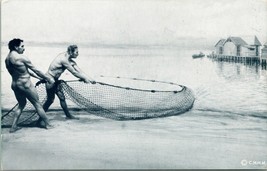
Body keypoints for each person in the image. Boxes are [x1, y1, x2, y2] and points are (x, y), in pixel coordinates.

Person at [5, 38, 54, 133]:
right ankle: (48, 124)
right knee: (37, 104)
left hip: (15, 85)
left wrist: (39, 78)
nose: (24, 48)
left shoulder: (7, 59)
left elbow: (23, 71)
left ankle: (13, 126)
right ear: (16, 47)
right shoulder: (21, 57)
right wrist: (48, 78)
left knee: (21, 105)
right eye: (22, 46)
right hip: (25, 85)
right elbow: (36, 70)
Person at [38, 45, 94, 121]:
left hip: (56, 80)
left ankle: (68, 115)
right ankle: (40, 119)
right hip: (50, 80)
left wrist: (90, 79)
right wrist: (84, 78)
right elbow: (74, 72)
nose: (78, 54)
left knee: (62, 98)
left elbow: (79, 71)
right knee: (50, 100)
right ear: (71, 52)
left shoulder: (69, 59)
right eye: (76, 52)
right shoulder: (63, 59)